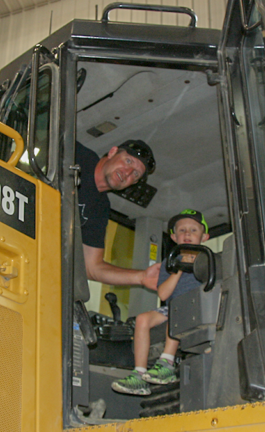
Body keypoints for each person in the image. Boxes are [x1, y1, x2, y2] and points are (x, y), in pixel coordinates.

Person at [111, 209, 210, 396]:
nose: (187, 234)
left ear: (204, 237)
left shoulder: (208, 260)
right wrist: (179, 269)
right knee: (142, 319)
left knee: (176, 311)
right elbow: (164, 294)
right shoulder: (169, 263)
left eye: (193, 230)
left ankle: (166, 363)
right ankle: (139, 375)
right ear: (174, 237)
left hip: (197, 307)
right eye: (182, 230)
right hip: (172, 306)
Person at [76, 139, 160, 289]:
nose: (127, 172)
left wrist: (142, 277)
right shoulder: (76, 154)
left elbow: (92, 267)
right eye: (128, 161)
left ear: (133, 183)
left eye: (135, 174)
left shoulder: (100, 208)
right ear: (112, 152)